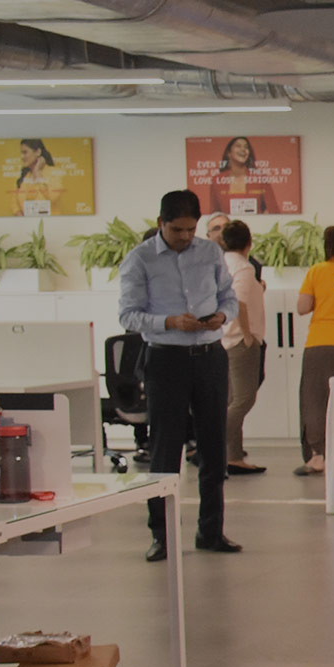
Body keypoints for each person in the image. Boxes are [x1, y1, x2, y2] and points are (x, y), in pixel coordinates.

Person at [117, 189, 241, 560]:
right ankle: (162, 535)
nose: (185, 237)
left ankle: (211, 532)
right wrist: (169, 321)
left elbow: (229, 297)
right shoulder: (139, 259)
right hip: (165, 359)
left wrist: (222, 315)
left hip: (209, 356)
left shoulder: (210, 253)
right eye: (177, 230)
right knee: (165, 449)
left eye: (190, 229)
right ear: (161, 223)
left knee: (213, 448)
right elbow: (128, 315)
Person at [295, 225, 334, 475]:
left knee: (316, 400)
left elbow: (302, 307)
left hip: (322, 343)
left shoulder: (318, 271)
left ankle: (319, 456)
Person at [219, 219, 267, 475]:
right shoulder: (244, 268)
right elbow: (239, 302)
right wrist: (247, 335)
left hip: (224, 338)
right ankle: (218, 450)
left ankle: (232, 455)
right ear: (249, 242)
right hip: (240, 339)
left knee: (231, 400)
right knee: (243, 399)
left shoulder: (221, 264)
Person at [207, 135, 268, 215]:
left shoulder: (260, 178)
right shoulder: (217, 180)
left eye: (246, 147)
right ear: (229, 153)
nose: (243, 149)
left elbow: (272, 209)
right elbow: (214, 212)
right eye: (238, 146)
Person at [11, 138, 64, 213]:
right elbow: (14, 204)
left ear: (38, 152)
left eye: (25, 152)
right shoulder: (22, 176)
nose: (22, 157)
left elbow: (52, 197)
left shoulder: (54, 172)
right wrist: (21, 217)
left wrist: (37, 172)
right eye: (21, 153)